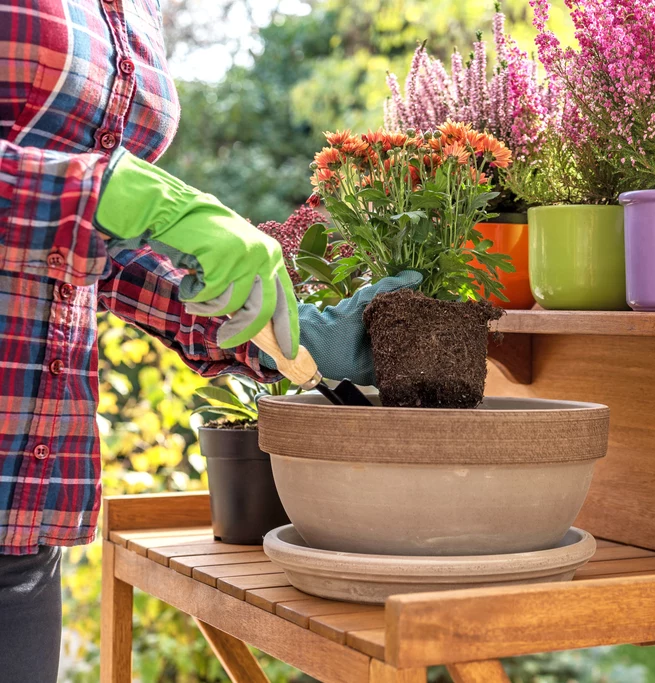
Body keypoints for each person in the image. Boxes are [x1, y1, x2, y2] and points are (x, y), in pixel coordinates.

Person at [0, 2, 419, 680]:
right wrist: (117, 192)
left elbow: (93, 250)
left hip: (21, 500)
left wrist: (289, 337)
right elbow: (103, 206)